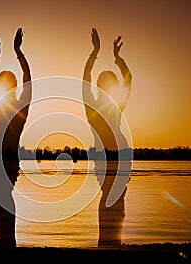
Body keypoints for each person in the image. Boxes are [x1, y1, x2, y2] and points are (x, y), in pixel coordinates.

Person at [0, 28, 32, 248]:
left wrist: (17, 53)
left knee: (2, 201)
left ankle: (6, 243)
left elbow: (28, 79)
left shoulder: (19, 108)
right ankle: (1, 242)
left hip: (5, 159)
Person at [82, 28, 132, 248]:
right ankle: (108, 243)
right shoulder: (98, 109)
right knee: (113, 199)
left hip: (115, 159)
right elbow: (128, 78)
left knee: (115, 199)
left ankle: (110, 243)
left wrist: (108, 55)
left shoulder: (111, 108)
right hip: (111, 159)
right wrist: (106, 55)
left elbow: (128, 79)